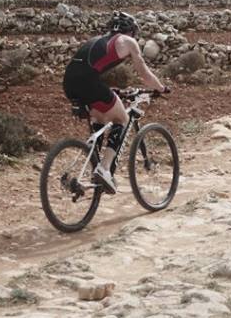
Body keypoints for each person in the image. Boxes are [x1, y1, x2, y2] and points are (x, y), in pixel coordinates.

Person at [62, 11, 168, 194]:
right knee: (122, 119)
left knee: (100, 119)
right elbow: (144, 74)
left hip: (69, 83)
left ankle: (91, 169)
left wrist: (113, 91)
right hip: (88, 83)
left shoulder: (98, 40)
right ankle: (104, 168)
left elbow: (92, 69)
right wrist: (160, 88)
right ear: (132, 31)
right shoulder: (127, 41)